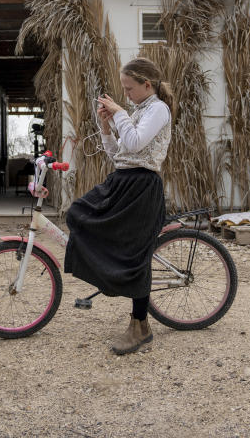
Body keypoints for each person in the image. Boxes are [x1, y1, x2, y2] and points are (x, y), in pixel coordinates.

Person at [64, 57, 174, 355]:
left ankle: (140, 327)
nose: (125, 93)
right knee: (77, 214)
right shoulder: (137, 110)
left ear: (146, 85)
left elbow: (137, 144)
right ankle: (109, 278)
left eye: (129, 88)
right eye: (123, 89)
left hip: (141, 187)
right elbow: (119, 155)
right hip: (122, 181)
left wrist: (121, 113)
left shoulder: (158, 109)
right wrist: (106, 125)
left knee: (137, 257)